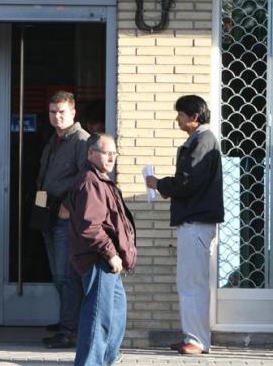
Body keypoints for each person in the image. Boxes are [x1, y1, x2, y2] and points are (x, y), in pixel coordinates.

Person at [145, 95, 224, 355]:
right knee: (189, 283)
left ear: (194, 116)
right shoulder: (201, 140)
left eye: (180, 114)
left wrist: (160, 184)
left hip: (196, 222)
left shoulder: (202, 140)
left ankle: (197, 341)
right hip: (195, 222)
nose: (177, 118)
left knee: (193, 284)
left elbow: (188, 181)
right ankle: (194, 336)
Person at [68, 133, 137, 366]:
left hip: (107, 261)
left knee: (116, 312)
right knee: (99, 316)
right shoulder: (91, 182)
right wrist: (111, 253)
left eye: (114, 153)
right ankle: (90, 363)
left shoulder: (101, 180)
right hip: (99, 259)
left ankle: (107, 358)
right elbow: (91, 228)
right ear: (91, 153)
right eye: (106, 153)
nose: (111, 157)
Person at [35, 90, 89, 348]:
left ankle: (70, 330)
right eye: (52, 112)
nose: (56, 117)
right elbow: (45, 180)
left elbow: (87, 180)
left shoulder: (81, 140)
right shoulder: (54, 140)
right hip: (48, 212)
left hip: (66, 216)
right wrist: (38, 210)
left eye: (62, 112)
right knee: (58, 275)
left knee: (66, 275)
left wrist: (68, 205)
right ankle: (66, 323)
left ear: (73, 113)